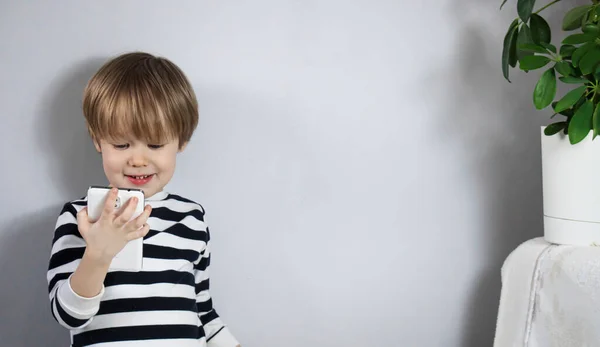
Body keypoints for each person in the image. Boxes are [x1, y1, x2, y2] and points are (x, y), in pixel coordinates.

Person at [46, 52, 240, 347]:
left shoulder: (191, 217)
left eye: (155, 144)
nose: (138, 159)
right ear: (98, 140)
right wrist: (98, 254)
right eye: (121, 144)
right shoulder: (81, 217)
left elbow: (203, 311)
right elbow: (68, 316)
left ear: (182, 140)